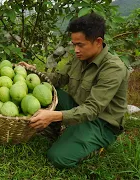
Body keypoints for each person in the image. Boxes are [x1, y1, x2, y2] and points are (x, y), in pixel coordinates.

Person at [21, 13, 129, 168]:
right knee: (47, 92)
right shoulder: (80, 58)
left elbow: (92, 110)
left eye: (80, 45)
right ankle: (61, 131)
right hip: (78, 107)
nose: (76, 50)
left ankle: (96, 147)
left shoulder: (113, 68)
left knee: (58, 157)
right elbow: (58, 79)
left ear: (98, 42)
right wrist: (32, 73)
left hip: (100, 123)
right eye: (74, 45)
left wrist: (54, 116)